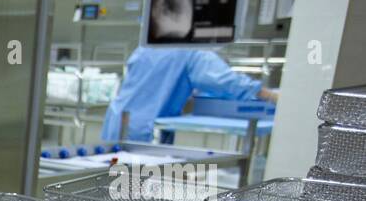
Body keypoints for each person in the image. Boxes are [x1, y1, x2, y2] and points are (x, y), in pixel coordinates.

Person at [101, 46, 278, 143]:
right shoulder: (191, 51)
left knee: (111, 184)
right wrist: (266, 94)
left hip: (118, 118)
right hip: (143, 127)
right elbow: (222, 80)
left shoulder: (149, 45)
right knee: (131, 189)